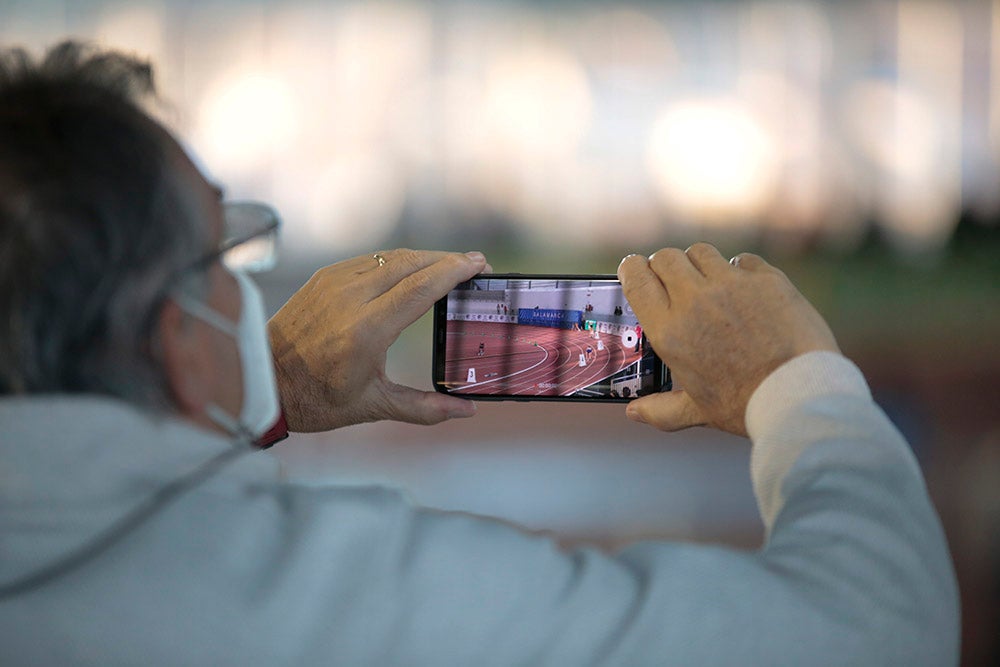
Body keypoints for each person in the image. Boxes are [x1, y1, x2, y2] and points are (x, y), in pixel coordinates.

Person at [0, 43, 958, 666]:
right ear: (178, 341)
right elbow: (877, 631)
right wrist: (796, 383)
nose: (243, 291)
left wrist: (267, 392)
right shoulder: (345, 596)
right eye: (224, 253)